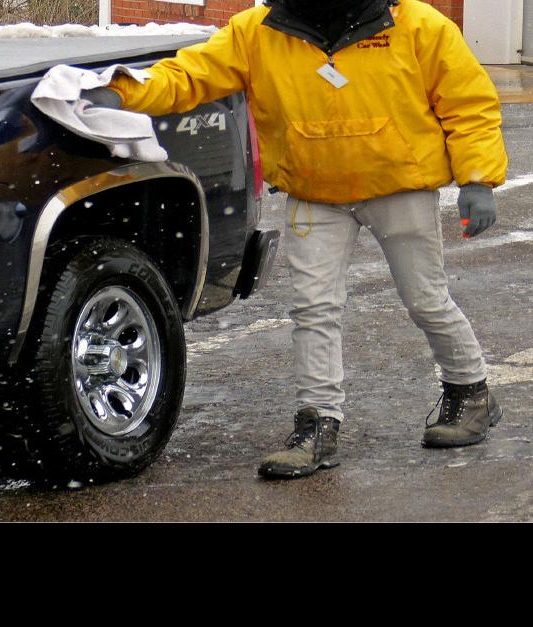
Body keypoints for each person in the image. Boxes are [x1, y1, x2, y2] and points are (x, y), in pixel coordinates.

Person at [84, 0, 506, 478]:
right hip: (314, 192)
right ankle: (318, 423)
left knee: (425, 297)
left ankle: (471, 393)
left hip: (401, 186)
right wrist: (121, 92)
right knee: (314, 308)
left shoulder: (418, 26)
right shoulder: (257, 33)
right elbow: (189, 76)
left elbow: (467, 100)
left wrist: (478, 178)